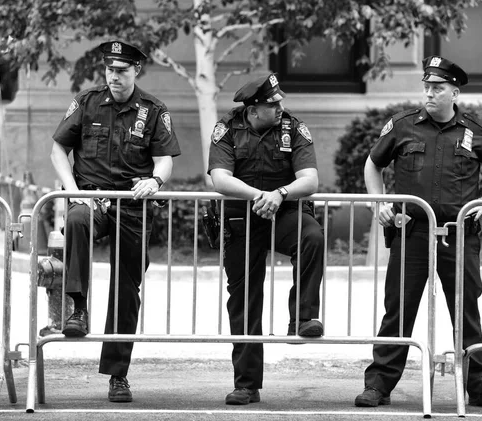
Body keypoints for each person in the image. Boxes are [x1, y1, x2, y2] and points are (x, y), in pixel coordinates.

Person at [355, 56, 482, 410]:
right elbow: (373, 164)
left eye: (437, 88)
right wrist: (377, 202)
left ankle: (480, 386)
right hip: (411, 233)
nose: (429, 93)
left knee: (465, 312)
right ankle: (378, 385)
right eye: (427, 87)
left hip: (458, 235)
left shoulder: (473, 131)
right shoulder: (402, 126)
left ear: (454, 92)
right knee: (397, 310)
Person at [50, 40, 181, 403]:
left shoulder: (153, 110)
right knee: (76, 219)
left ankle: (117, 375)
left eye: (121, 71)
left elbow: (165, 158)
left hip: (132, 206)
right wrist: (73, 190)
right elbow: (58, 148)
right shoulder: (87, 101)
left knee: (127, 291)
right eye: (110, 70)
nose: (114, 77)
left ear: (136, 71)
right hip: (92, 197)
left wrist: (155, 181)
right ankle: (78, 307)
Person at [208, 73, 324, 405]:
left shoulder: (293, 127)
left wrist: (279, 194)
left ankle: (302, 317)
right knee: (244, 300)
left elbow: (310, 179)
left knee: (311, 236)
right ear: (255, 109)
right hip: (242, 218)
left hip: (284, 211)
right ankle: (246, 384)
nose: (280, 107)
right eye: (273, 104)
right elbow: (220, 178)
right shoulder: (227, 129)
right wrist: (262, 195)